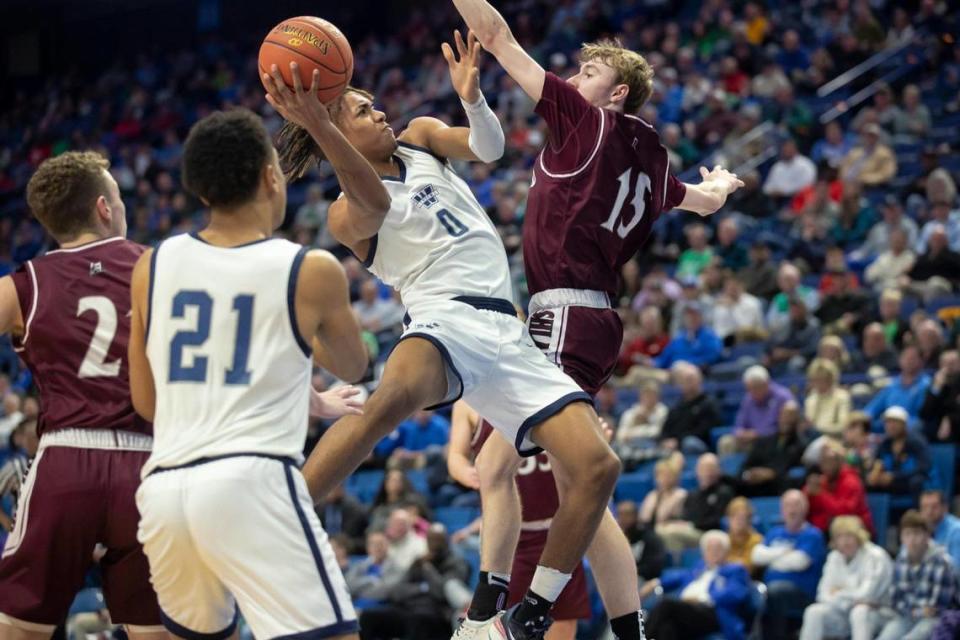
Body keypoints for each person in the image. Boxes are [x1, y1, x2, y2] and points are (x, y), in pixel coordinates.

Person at [265, 34, 631, 640]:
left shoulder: (419, 137)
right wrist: (319, 125)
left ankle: (526, 614)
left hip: (509, 332)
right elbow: (369, 193)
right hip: (442, 317)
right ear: (335, 130)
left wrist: (474, 97)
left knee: (598, 466)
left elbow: (488, 148)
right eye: (360, 111)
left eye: (374, 104)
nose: (379, 111)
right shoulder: (341, 211)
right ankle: (285, 514)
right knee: (389, 400)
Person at [448, 3, 745, 636]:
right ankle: (623, 624)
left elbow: (495, 36)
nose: (572, 77)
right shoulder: (655, 156)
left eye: (587, 72)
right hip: (593, 319)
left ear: (615, 93)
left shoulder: (589, 123)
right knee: (560, 481)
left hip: (560, 315)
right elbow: (705, 205)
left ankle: (498, 615)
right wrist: (720, 183)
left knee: (513, 469)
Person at [127, 109, 369, 638]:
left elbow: (147, 403)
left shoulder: (153, 264)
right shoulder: (311, 268)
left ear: (197, 188)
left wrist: (299, 392)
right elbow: (354, 365)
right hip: (251, 479)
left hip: (166, 490)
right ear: (270, 176)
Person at [0, 151, 165, 638]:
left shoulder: (22, 285)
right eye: (119, 196)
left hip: (65, 459)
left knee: (19, 627)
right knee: (154, 629)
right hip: (149, 462)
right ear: (103, 208)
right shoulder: (158, 267)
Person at [446, 401, 589, 640]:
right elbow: (455, 456)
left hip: (558, 530)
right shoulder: (467, 402)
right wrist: (465, 472)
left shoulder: (549, 380)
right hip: (510, 541)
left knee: (562, 624)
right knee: (500, 626)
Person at [359, 524, 471, 640]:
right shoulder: (419, 562)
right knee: (368, 617)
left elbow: (443, 593)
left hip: (437, 613)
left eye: (438, 539)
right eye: (431, 539)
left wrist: (428, 571)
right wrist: (423, 588)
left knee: (417, 621)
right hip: (408, 608)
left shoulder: (456, 563)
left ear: (446, 540)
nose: (434, 543)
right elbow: (397, 590)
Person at [639, 530, 751, 640]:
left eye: (718, 548)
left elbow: (736, 593)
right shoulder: (699, 568)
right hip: (689, 613)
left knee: (666, 604)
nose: (713, 552)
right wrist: (655, 582)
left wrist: (702, 599)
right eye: (709, 549)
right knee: (667, 627)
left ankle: (641, 637)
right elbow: (680, 576)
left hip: (713, 614)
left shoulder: (735, 570)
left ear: (726, 552)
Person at [799, 516, 893, 640]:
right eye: (840, 537)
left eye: (849, 536)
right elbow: (822, 594)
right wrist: (848, 597)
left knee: (859, 611)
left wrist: (839, 592)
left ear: (859, 536)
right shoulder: (834, 557)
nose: (844, 542)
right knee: (813, 612)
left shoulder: (875, 556)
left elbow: (867, 595)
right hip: (844, 612)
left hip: (879, 613)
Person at [751, 490, 827, 640]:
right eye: (787, 505)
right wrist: (785, 552)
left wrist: (771, 557)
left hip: (802, 594)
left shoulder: (813, 534)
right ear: (782, 510)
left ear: (805, 509)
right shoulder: (774, 533)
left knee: (776, 591)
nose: (792, 510)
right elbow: (757, 556)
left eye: (796, 505)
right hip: (769, 589)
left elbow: (800, 562)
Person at [874, 510, 957, 640]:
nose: (912, 539)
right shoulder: (900, 561)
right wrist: (916, 611)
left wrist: (915, 609)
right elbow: (896, 600)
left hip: (935, 620)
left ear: (927, 535)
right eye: (907, 534)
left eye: (917, 533)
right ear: (901, 537)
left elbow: (937, 607)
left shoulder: (942, 561)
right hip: (907, 616)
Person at [657, 453, 735, 552]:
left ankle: (678, 562)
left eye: (711, 468)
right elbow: (685, 516)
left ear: (718, 470)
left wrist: (692, 524)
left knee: (671, 533)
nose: (707, 472)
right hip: (691, 529)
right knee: (660, 529)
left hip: (709, 533)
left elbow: (717, 520)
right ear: (697, 470)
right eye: (704, 468)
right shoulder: (692, 494)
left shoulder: (724, 492)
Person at [720, 365, 795, 455]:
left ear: (767, 383)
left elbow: (786, 427)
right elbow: (738, 425)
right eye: (750, 388)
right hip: (750, 440)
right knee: (726, 442)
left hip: (772, 439)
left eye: (756, 387)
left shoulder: (783, 396)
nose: (753, 392)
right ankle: (729, 468)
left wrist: (758, 434)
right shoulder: (748, 399)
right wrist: (741, 433)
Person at [738, 401, 807, 496]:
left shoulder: (801, 445)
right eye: (784, 415)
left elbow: (794, 473)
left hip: (779, 489)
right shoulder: (763, 441)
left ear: (797, 419)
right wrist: (748, 474)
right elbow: (745, 466)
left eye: (791, 416)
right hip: (755, 486)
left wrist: (771, 474)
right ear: (779, 416)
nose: (787, 419)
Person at [804, 440, 874, 535]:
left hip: (857, 530)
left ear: (839, 461)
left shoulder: (851, 481)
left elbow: (844, 512)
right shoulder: (824, 480)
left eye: (829, 460)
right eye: (822, 461)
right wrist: (808, 493)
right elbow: (811, 508)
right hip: (832, 531)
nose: (825, 466)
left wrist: (820, 494)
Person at [867, 406, 932, 499]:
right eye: (887, 422)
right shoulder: (884, 444)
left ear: (904, 424)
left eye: (895, 422)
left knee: (917, 482)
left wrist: (894, 477)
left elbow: (923, 468)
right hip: (890, 483)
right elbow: (876, 463)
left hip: (908, 481)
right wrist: (875, 475)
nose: (891, 426)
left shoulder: (917, 442)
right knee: (867, 484)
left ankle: (918, 511)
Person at [658, 361, 721, 455]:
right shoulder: (677, 406)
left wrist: (678, 441)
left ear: (699, 380)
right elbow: (666, 428)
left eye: (690, 379)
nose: (687, 383)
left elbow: (704, 430)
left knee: (690, 443)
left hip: (697, 445)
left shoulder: (708, 403)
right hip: (673, 445)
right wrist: (664, 440)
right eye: (683, 380)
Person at [919, 489, 960, 568]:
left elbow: (957, 569)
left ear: (945, 508)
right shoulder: (916, 529)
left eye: (934, 507)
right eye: (924, 507)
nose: (929, 511)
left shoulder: (957, 531)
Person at [725, 498, 762, 576]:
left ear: (749, 520)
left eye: (742, 517)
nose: (738, 521)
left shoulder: (756, 540)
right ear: (728, 519)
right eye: (734, 516)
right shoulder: (724, 540)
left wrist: (728, 562)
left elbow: (748, 568)